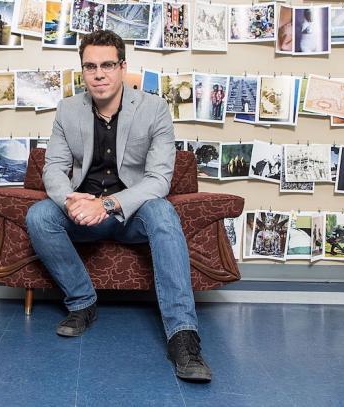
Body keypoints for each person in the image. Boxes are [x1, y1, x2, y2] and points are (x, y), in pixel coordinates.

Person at [26, 30, 211, 382]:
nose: (99, 74)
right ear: (83, 71)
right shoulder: (67, 109)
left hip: (133, 214)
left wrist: (107, 204)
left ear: (123, 67)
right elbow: (53, 169)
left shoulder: (155, 109)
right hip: (82, 212)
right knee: (39, 216)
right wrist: (71, 199)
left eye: (108, 65)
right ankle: (83, 303)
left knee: (163, 212)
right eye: (90, 66)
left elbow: (159, 180)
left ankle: (183, 336)